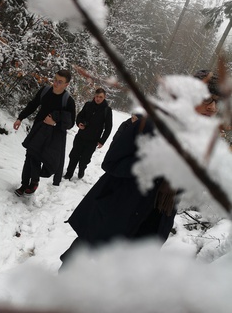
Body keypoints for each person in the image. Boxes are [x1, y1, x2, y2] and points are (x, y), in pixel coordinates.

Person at [59, 70, 220, 265]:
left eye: (217, 102)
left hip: (151, 224)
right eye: (207, 100)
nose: (212, 108)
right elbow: (111, 162)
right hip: (115, 213)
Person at [13, 70, 76, 196]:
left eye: (60, 82)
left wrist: (55, 121)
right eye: (55, 79)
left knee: (38, 157)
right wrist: (20, 118)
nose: (56, 83)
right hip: (38, 129)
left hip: (53, 135)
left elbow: (71, 123)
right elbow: (33, 105)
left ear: (66, 84)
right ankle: (25, 184)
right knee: (30, 156)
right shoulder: (45, 91)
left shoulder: (68, 101)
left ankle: (34, 182)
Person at [64, 88, 113, 180]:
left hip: (93, 140)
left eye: (100, 97)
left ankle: (82, 170)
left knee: (84, 160)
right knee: (74, 156)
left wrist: (102, 141)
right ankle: (68, 174)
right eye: (97, 96)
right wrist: (79, 123)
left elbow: (108, 128)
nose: (98, 99)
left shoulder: (107, 110)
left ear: (104, 97)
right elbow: (79, 116)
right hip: (81, 136)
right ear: (94, 96)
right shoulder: (88, 105)